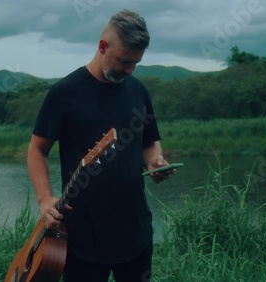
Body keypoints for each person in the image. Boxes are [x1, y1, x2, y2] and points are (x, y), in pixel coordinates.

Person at [27, 9, 174, 282]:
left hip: (136, 232)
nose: (130, 70)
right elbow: (37, 150)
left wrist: (156, 162)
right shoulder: (64, 94)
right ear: (103, 46)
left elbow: (150, 141)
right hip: (82, 235)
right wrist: (44, 198)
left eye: (136, 64)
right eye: (124, 61)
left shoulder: (139, 91)